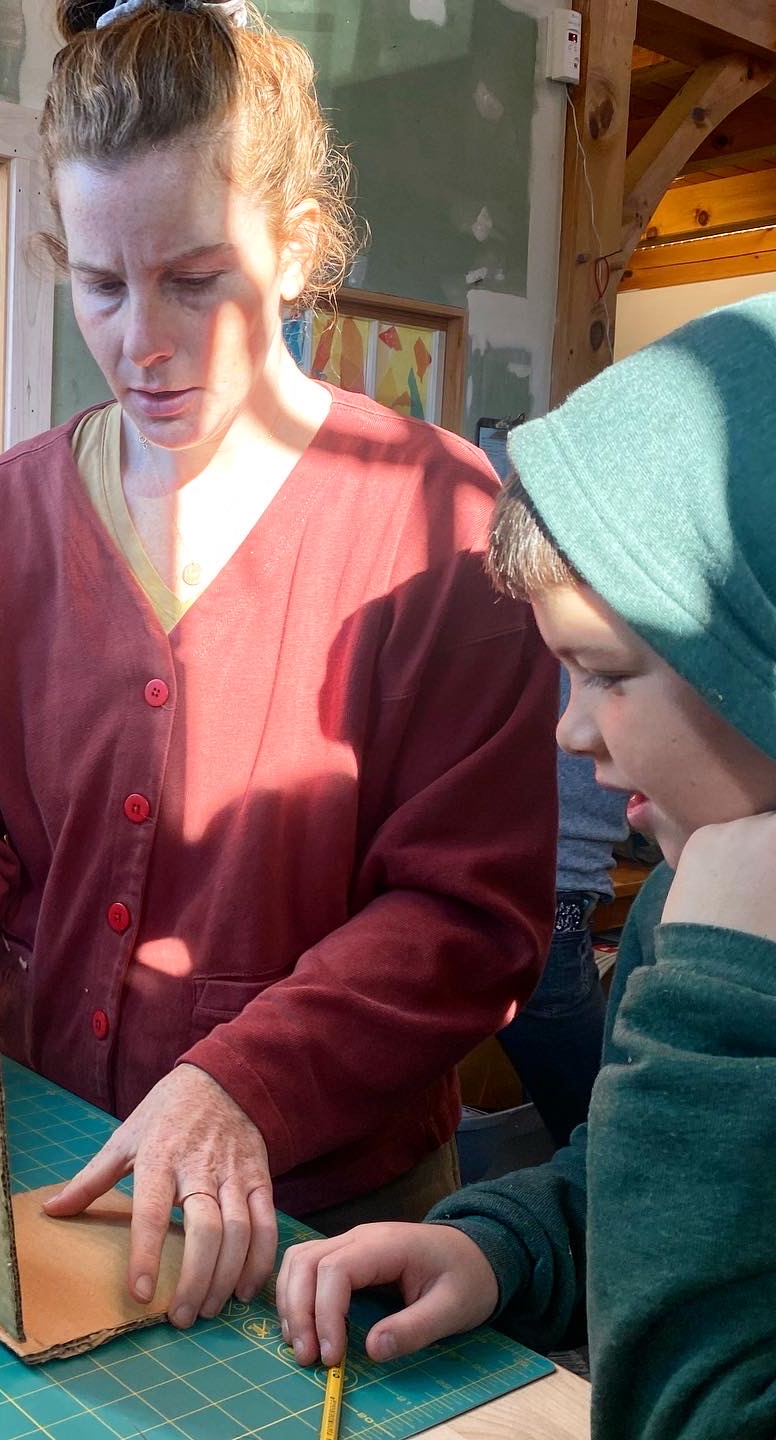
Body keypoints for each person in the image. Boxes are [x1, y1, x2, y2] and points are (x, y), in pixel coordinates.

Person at [0, 0, 556, 1333]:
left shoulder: (441, 529)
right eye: (100, 282)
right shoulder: (2, 524)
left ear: (299, 251)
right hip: (47, 1176)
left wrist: (244, 1080)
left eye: (197, 280)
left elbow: (463, 919)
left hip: (323, 1226)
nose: (142, 340)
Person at [275, 294, 776, 1440]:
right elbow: (633, 1182)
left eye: (607, 672)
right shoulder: (702, 876)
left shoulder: (721, 918)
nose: (572, 731)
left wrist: (724, 1006)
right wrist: (500, 1248)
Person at [497, 670, 629, 1147]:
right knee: (601, 1134)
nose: (571, 732)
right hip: (546, 891)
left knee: (601, 1135)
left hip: (548, 892)